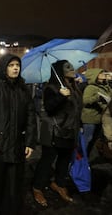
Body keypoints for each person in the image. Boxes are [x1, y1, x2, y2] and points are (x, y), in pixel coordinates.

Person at [0, 53, 37, 215]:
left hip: (17, 145)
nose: (15, 68)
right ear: (5, 67)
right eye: (11, 65)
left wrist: (30, 142)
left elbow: (31, 117)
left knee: (14, 185)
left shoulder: (24, 89)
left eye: (17, 66)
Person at [32, 60, 83, 206]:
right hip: (54, 131)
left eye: (72, 66)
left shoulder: (74, 87)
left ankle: (59, 184)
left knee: (64, 160)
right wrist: (60, 96)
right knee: (47, 161)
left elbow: (77, 109)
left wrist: (80, 125)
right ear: (59, 71)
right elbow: (49, 108)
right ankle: (37, 187)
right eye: (67, 67)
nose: (72, 69)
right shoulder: (52, 88)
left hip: (70, 131)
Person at [81, 68, 112, 155]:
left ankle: (85, 159)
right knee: (87, 140)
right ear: (95, 76)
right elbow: (85, 101)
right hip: (90, 118)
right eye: (101, 73)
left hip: (99, 118)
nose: (104, 75)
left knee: (92, 141)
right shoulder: (91, 88)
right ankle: (79, 160)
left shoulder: (105, 87)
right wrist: (97, 98)